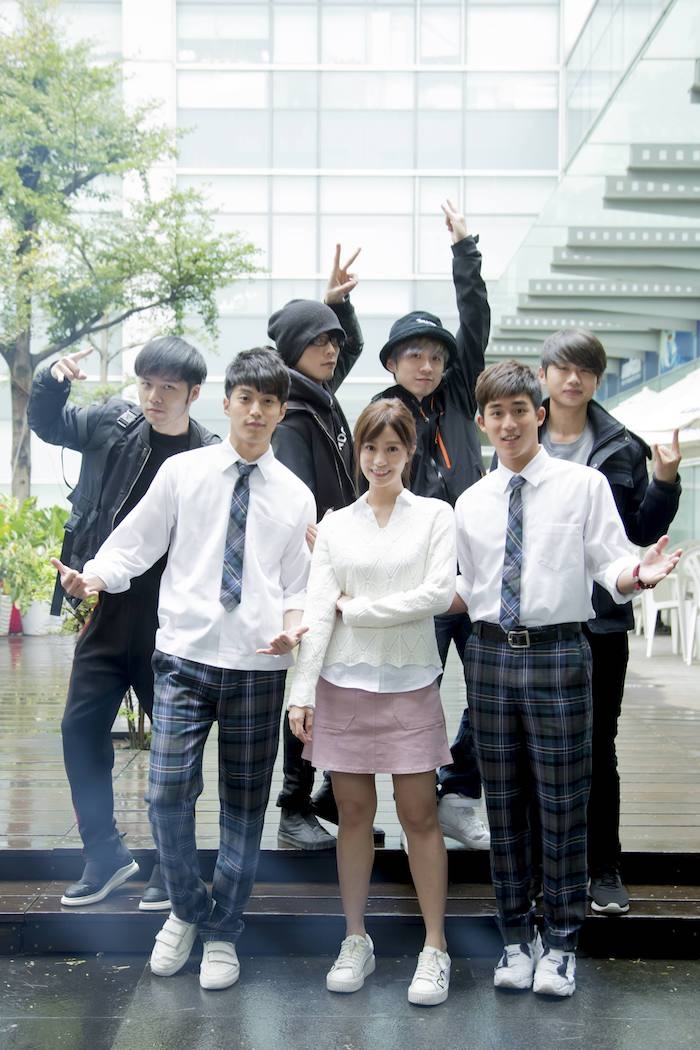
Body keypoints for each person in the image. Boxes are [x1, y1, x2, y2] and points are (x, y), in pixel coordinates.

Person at [52, 347, 315, 992]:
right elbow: (136, 542)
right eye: (245, 399)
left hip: (256, 667)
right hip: (183, 658)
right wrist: (94, 577)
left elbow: (296, 585)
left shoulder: (295, 495)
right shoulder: (184, 473)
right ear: (225, 402)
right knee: (167, 792)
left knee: (244, 808)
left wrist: (293, 626)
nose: (255, 412)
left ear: (281, 412)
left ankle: (223, 931)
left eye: (268, 402)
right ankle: (189, 909)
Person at [453, 360, 680, 998]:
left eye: (519, 411)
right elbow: (461, 588)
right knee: (503, 805)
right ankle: (514, 938)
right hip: (490, 657)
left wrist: (638, 575)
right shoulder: (471, 502)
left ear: (540, 413)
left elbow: (612, 562)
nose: (509, 424)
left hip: (558, 654)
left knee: (562, 803)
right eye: (496, 414)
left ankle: (560, 943)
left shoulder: (583, 486)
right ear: (482, 422)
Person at [27, 336, 218, 911]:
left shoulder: (208, 455)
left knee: (176, 744)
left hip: (174, 619)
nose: (154, 397)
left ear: (193, 394)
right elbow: (48, 424)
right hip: (108, 606)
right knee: (79, 728)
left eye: (168, 388)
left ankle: (171, 862)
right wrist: (52, 380)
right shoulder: (113, 424)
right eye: (147, 384)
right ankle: (104, 853)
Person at [288, 399, 456, 1007]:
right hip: (343, 685)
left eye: (392, 448)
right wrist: (301, 692)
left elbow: (438, 594)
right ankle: (355, 938)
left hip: (411, 683)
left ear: (409, 451)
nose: (379, 460)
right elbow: (316, 610)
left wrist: (358, 610)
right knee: (354, 815)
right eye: (370, 448)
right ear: (357, 451)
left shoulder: (435, 516)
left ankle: (435, 947)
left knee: (420, 815)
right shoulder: (335, 524)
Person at [538, 329, 681, 914]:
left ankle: (604, 869)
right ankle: (544, 868)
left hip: (601, 621)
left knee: (599, 747)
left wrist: (666, 482)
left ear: (597, 379)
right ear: (545, 375)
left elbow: (640, 534)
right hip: (539, 619)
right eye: (563, 368)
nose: (574, 379)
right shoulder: (521, 434)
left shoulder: (623, 446)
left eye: (586, 370)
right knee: (535, 746)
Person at [375, 199, 490, 850]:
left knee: (489, 687)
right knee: (415, 693)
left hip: (475, 573)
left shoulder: (461, 395)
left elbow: (475, 318)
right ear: (393, 363)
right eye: (413, 355)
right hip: (417, 580)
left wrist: (464, 250)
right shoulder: (381, 415)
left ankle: (460, 791)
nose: (426, 365)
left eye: (435, 356)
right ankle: (413, 804)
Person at [267, 245, 365, 851]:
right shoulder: (293, 415)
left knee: (335, 682)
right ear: (292, 350)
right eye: (319, 342)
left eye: (333, 341)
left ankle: (326, 790)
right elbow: (300, 507)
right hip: (313, 573)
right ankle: (293, 805)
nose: (332, 351)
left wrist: (337, 306)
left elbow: (350, 349)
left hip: (334, 564)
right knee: (307, 685)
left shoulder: (318, 398)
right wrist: (334, 549)